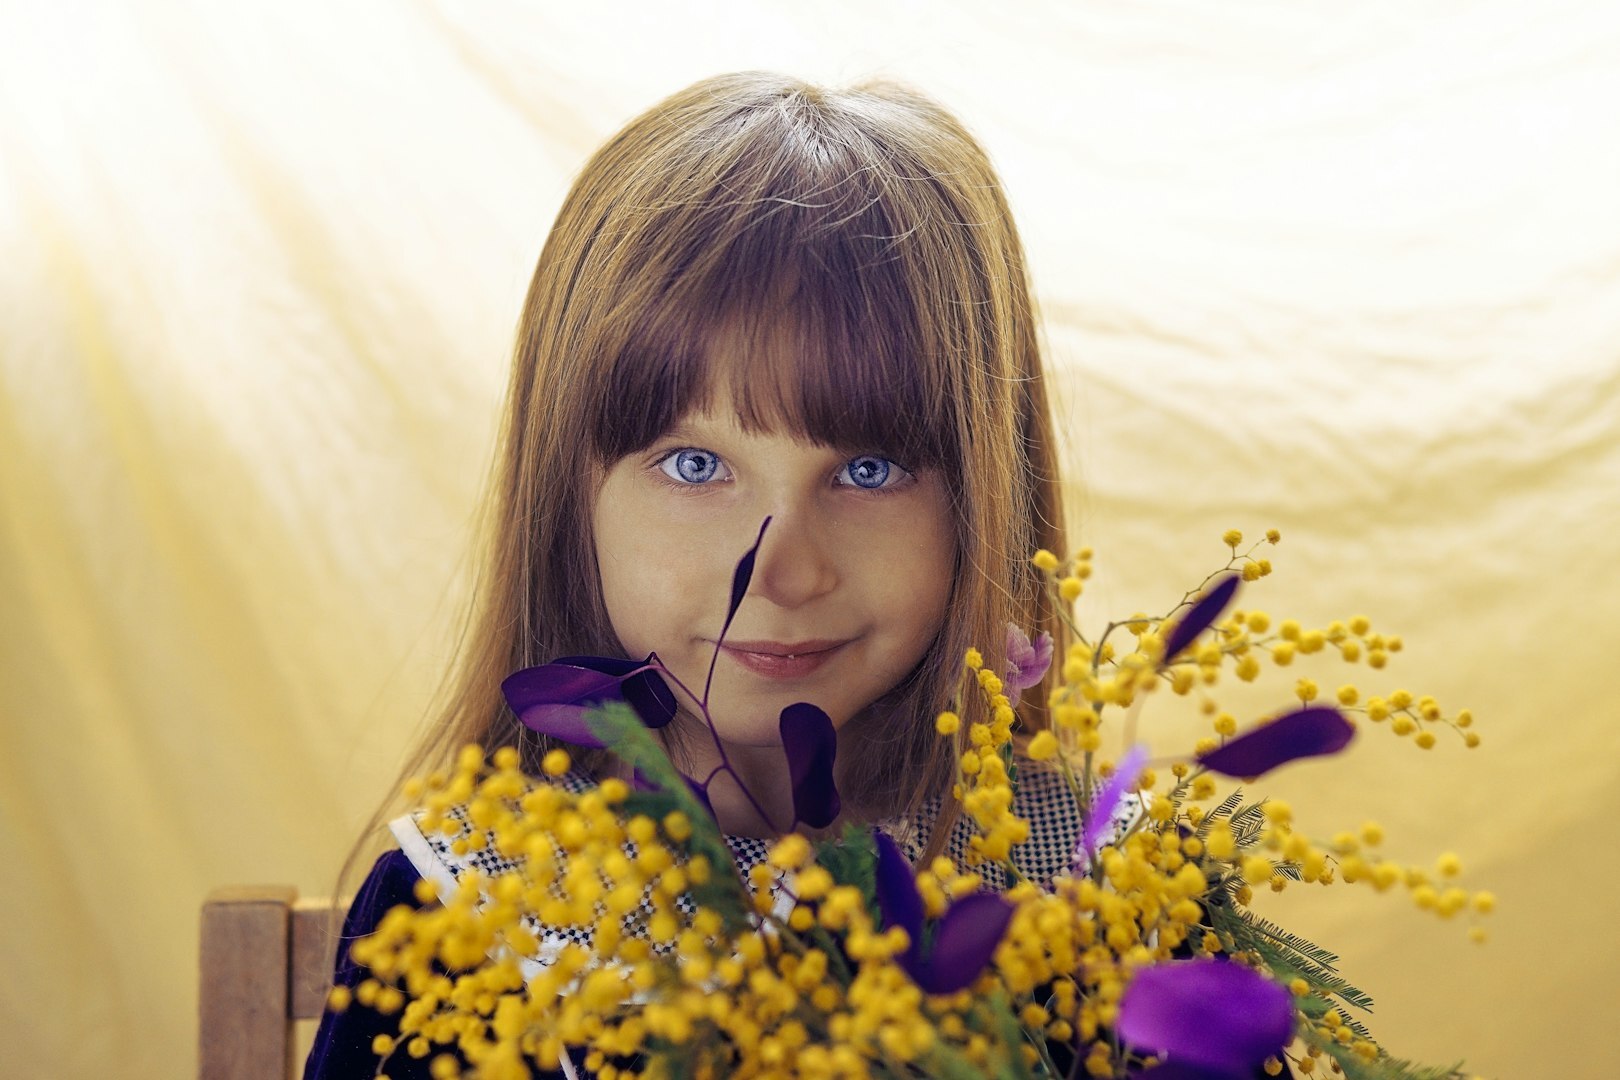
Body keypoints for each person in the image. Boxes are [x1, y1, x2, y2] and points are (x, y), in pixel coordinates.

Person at [305, 70, 1077, 1080]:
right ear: (572, 496)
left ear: (980, 498)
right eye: (695, 465)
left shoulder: (1091, 888)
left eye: (869, 469)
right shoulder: (462, 909)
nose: (782, 572)